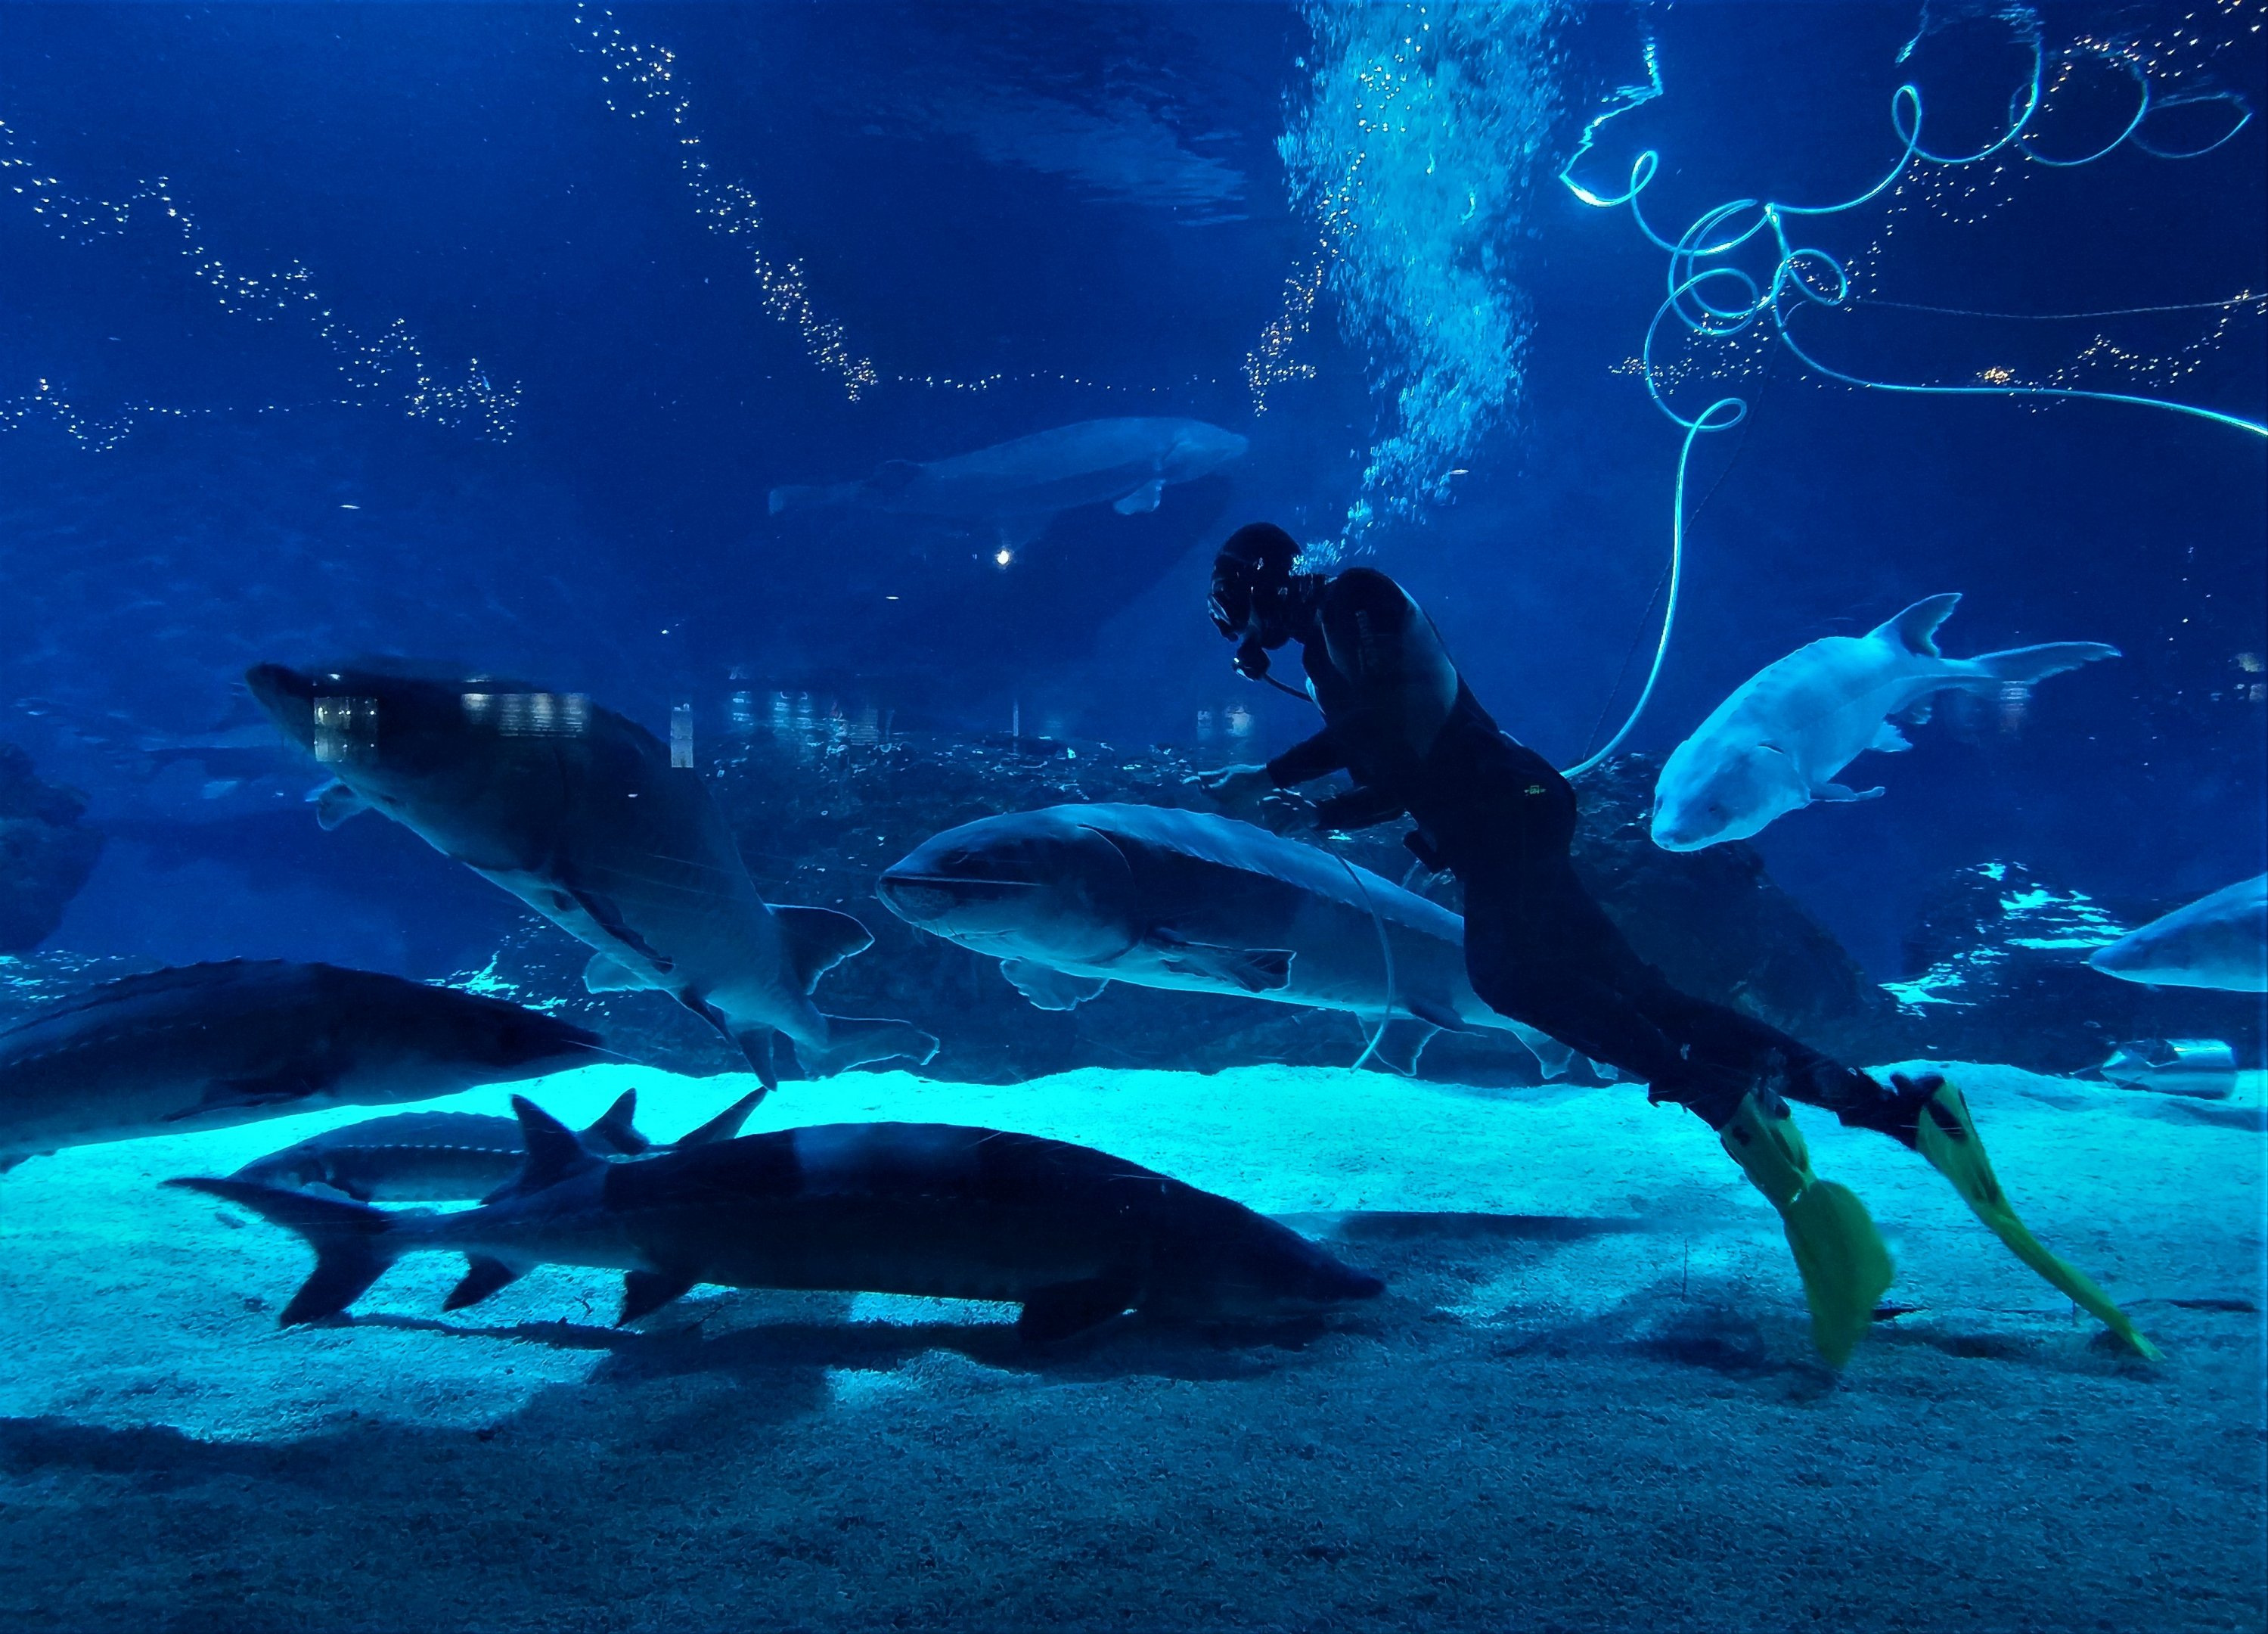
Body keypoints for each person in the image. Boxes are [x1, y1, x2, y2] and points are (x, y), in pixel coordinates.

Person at [1199, 521, 2157, 1365]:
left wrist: (1280, 774)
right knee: (1646, 999)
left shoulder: (1353, 600)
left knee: (1508, 976)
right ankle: (1899, 1111)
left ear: (1250, 589)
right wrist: (1318, 814)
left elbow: (1397, 730)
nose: (1242, 640)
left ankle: (1720, 1096)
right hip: (1499, 815)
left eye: (1233, 615)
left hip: (1510, 809)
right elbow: (1399, 756)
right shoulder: (1332, 643)